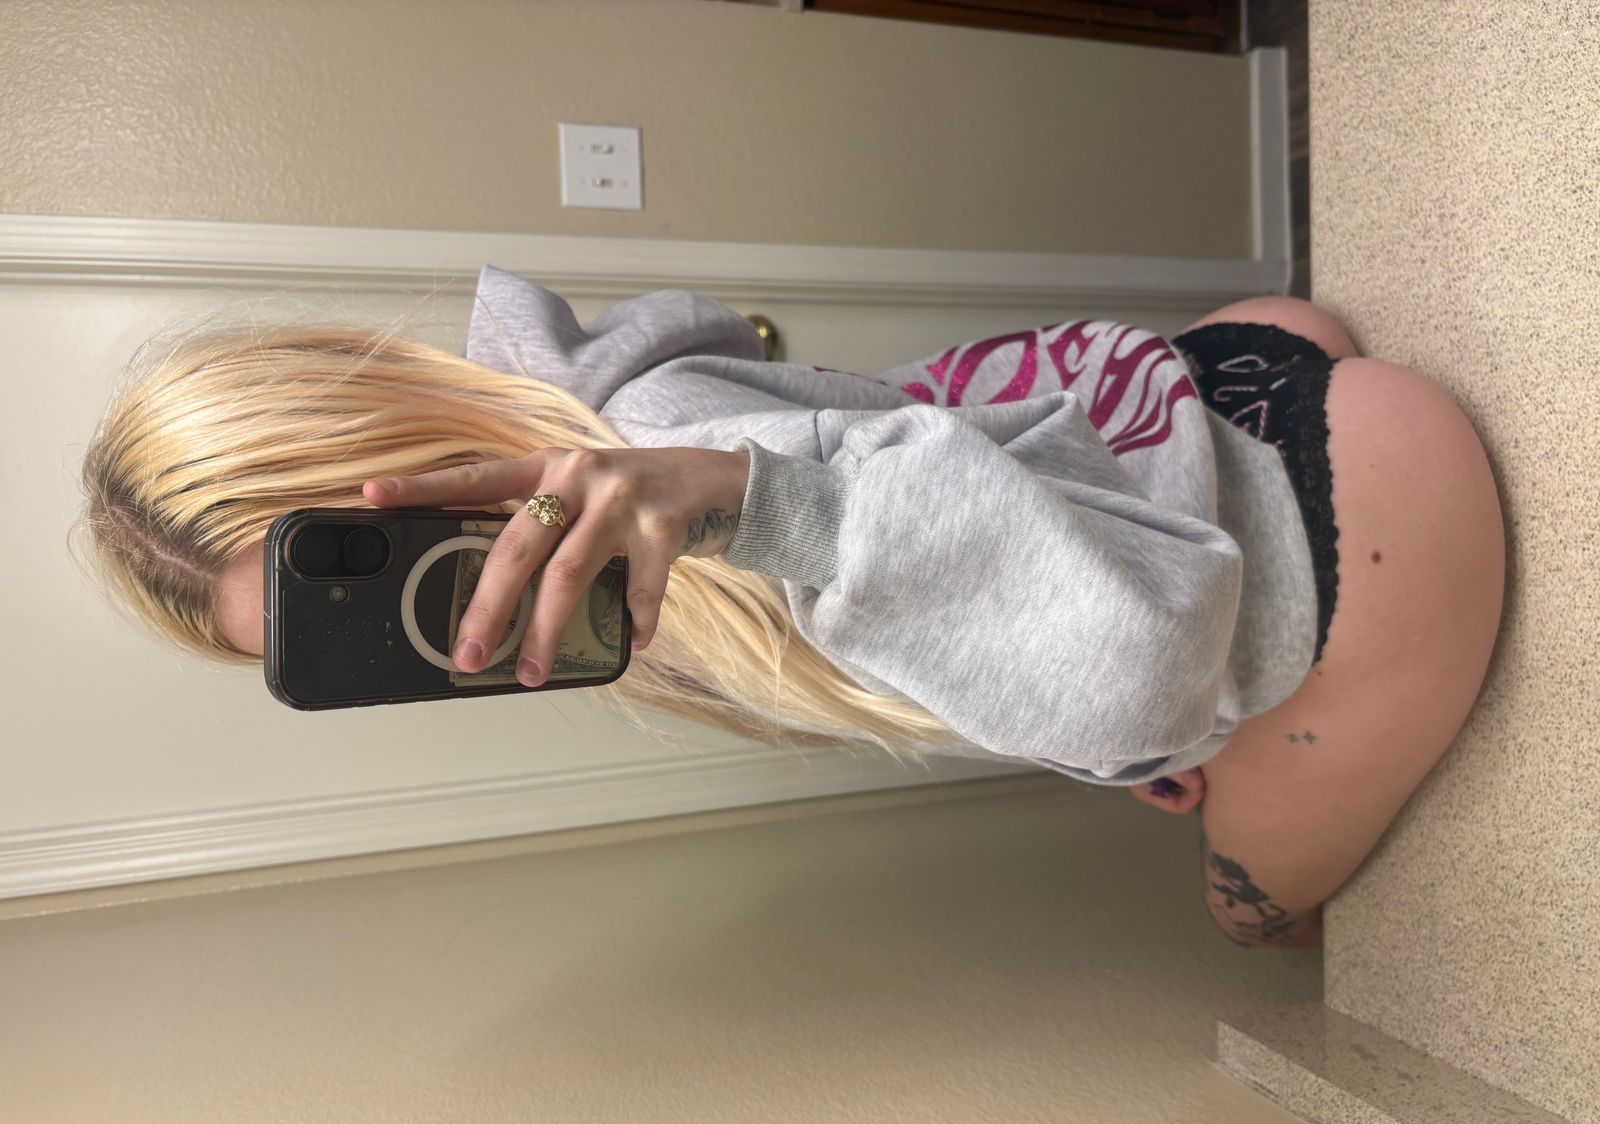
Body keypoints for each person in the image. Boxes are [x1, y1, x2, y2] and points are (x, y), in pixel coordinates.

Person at [78, 266, 1505, 949]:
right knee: (1146, 738)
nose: (425, 632)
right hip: (1205, 392)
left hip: (1341, 549)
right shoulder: (593, 422)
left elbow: (1146, 669)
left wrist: (1121, 725)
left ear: (400, 454)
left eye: (361, 567)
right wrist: (1079, 713)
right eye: (335, 644)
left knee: (1249, 922)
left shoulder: (670, 473)